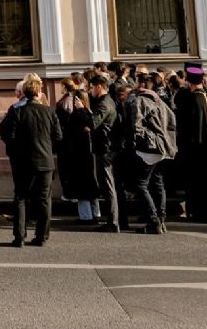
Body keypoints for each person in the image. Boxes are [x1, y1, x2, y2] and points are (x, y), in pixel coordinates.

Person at [2, 74, 61, 246]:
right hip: (45, 160)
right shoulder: (49, 111)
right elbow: (58, 136)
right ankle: (41, 236)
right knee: (44, 199)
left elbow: (8, 135)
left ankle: (19, 236)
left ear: (25, 93)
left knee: (20, 197)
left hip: (23, 162)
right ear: (38, 93)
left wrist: (17, 151)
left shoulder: (17, 111)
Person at [119, 76, 178, 234]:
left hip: (149, 148)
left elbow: (135, 126)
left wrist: (140, 140)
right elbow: (172, 122)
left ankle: (154, 220)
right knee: (158, 184)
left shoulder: (140, 101)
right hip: (163, 147)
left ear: (142, 85)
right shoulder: (160, 101)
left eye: (137, 82)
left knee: (141, 184)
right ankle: (161, 219)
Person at [174, 65, 207, 223]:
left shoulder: (194, 100)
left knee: (198, 182)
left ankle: (199, 212)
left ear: (189, 82)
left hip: (196, 150)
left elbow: (186, 126)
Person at [56, 75, 98, 224]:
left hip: (78, 154)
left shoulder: (78, 115)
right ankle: (96, 213)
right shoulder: (90, 113)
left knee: (82, 186)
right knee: (91, 185)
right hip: (88, 153)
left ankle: (86, 216)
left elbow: (71, 132)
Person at [86, 72, 123, 231]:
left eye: (92, 87)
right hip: (107, 146)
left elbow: (93, 123)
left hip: (105, 148)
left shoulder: (103, 103)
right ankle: (115, 220)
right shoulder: (109, 101)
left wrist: (84, 110)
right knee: (109, 184)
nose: (90, 90)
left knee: (107, 184)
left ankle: (113, 222)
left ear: (99, 87)